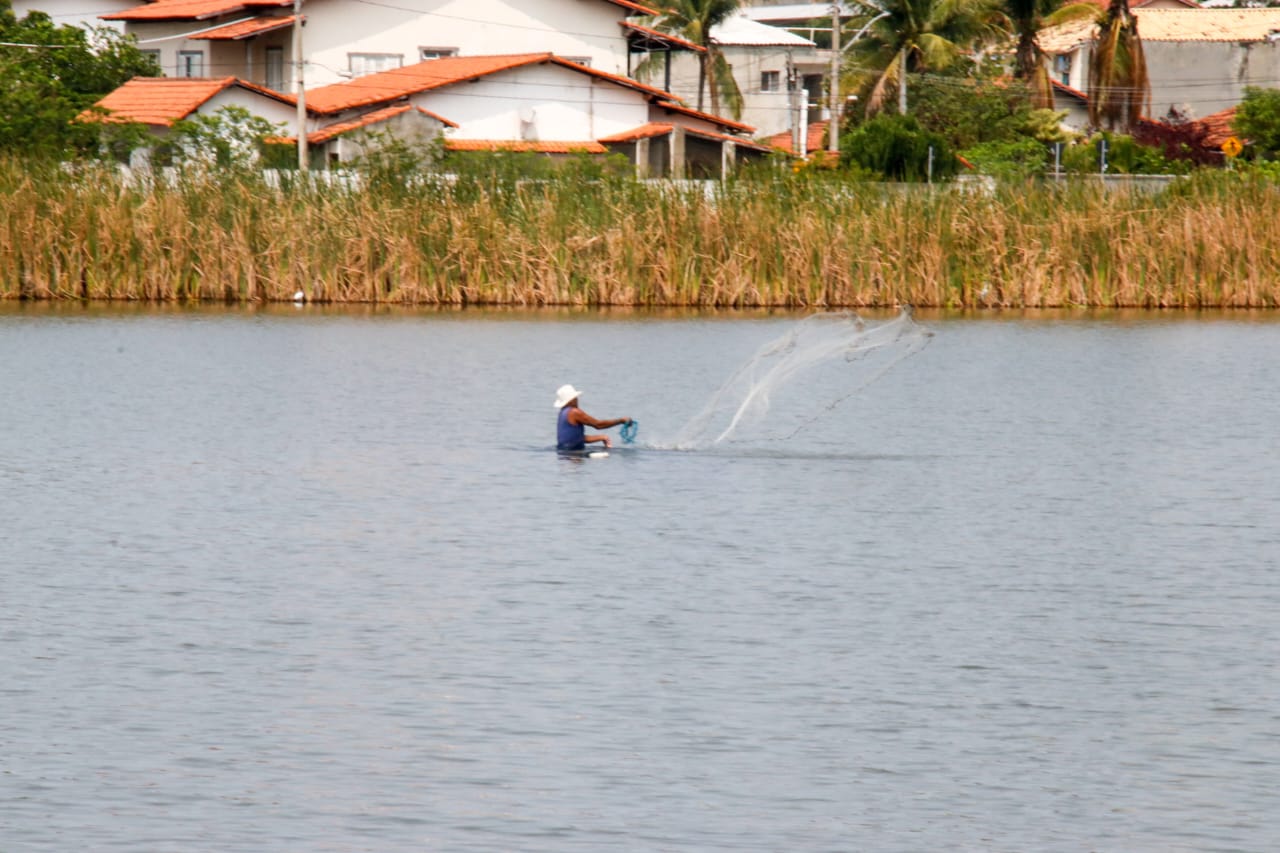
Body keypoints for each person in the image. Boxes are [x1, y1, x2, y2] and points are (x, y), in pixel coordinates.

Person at [554, 384, 631, 451]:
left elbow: (575, 438)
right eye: (575, 398)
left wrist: (601, 437)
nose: (577, 400)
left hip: (563, 453)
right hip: (573, 455)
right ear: (571, 400)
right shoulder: (574, 412)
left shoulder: (562, 413)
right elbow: (598, 425)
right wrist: (620, 421)